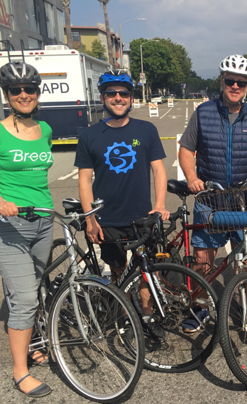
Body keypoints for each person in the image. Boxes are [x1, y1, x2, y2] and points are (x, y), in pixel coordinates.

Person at [179, 54, 247, 331]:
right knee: (203, 257)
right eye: (230, 81)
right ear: (221, 81)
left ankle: (245, 302)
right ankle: (200, 307)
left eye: (241, 83)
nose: (235, 86)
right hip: (211, 198)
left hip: (245, 200)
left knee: (243, 258)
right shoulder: (203, 112)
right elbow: (186, 149)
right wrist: (192, 177)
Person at [0, 61, 53, 397]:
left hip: (44, 221)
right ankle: (20, 372)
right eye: (16, 90)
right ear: (7, 95)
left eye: (29, 89)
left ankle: (32, 343)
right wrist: (0, 201)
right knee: (23, 297)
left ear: (37, 93)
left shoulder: (45, 129)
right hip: (9, 224)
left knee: (33, 289)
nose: (23, 95)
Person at [74, 70, 170, 340]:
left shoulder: (146, 130)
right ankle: (126, 317)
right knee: (118, 272)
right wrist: (90, 219)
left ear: (131, 97)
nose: (118, 98)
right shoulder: (90, 135)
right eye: (111, 93)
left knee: (146, 272)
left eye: (124, 93)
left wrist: (160, 204)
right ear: (102, 98)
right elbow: (84, 181)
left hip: (142, 216)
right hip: (107, 218)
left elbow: (159, 171)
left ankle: (147, 317)